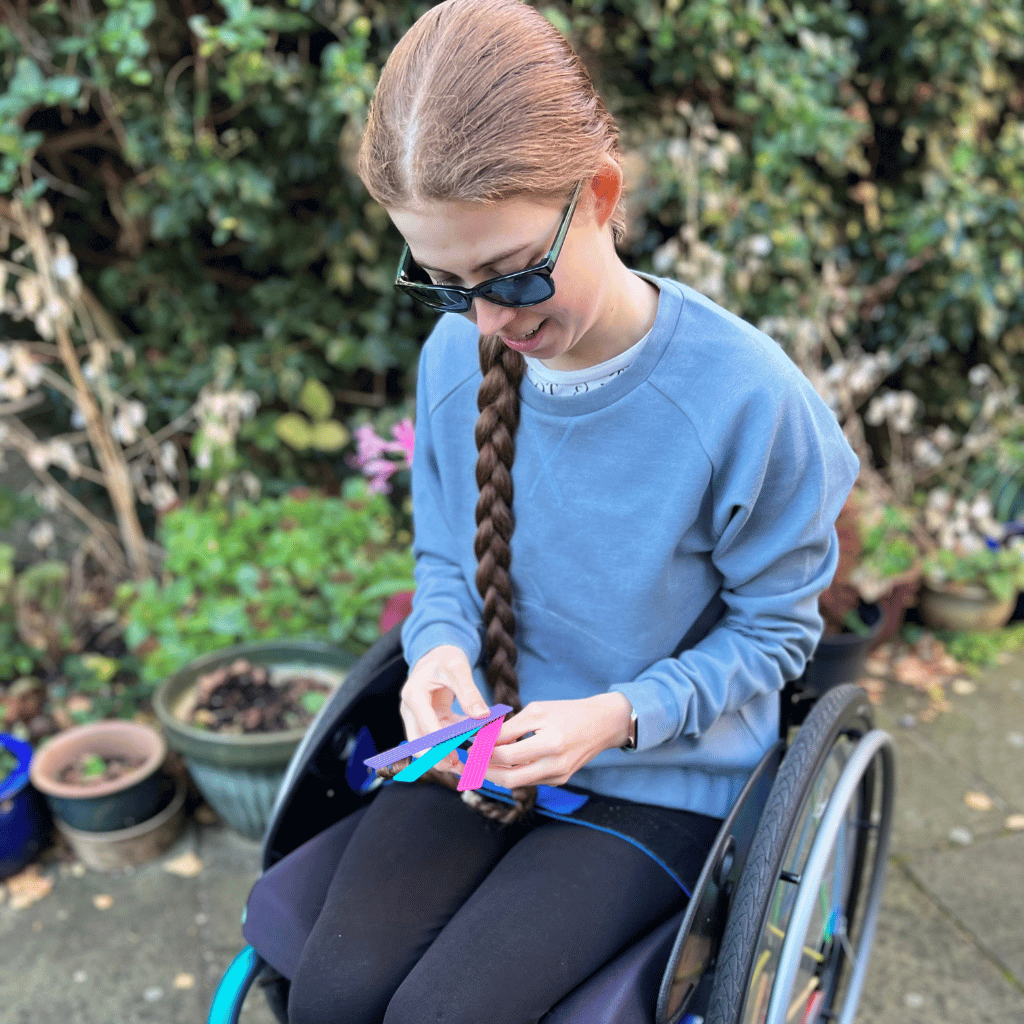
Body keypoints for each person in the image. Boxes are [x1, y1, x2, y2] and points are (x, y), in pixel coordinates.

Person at [285, 1, 859, 1022]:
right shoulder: (455, 359)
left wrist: (615, 715)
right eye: (446, 284)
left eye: (514, 273)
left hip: (661, 778)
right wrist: (438, 652)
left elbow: (775, 634)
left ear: (598, 195)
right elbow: (445, 564)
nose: (493, 321)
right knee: (329, 992)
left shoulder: (746, 401)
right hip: (480, 749)